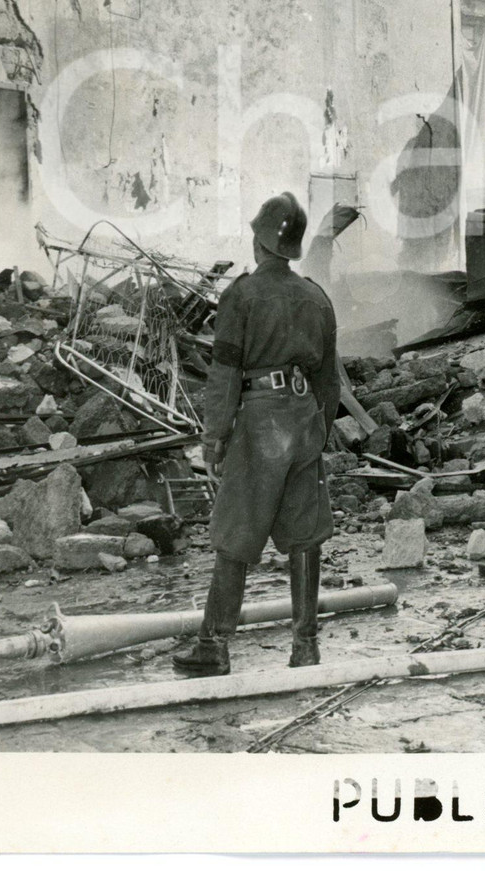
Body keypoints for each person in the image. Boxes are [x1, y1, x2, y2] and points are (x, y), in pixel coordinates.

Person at [173, 192, 341, 676]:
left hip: (260, 419)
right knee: (306, 534)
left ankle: (214, 645)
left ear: (260, 241)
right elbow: (329, 379)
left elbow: (224, 373)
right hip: (304, 416)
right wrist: (318, 430)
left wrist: (214, 439)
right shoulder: (316, 296)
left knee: (236, 531)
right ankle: (305, 645)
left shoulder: (241, 295)